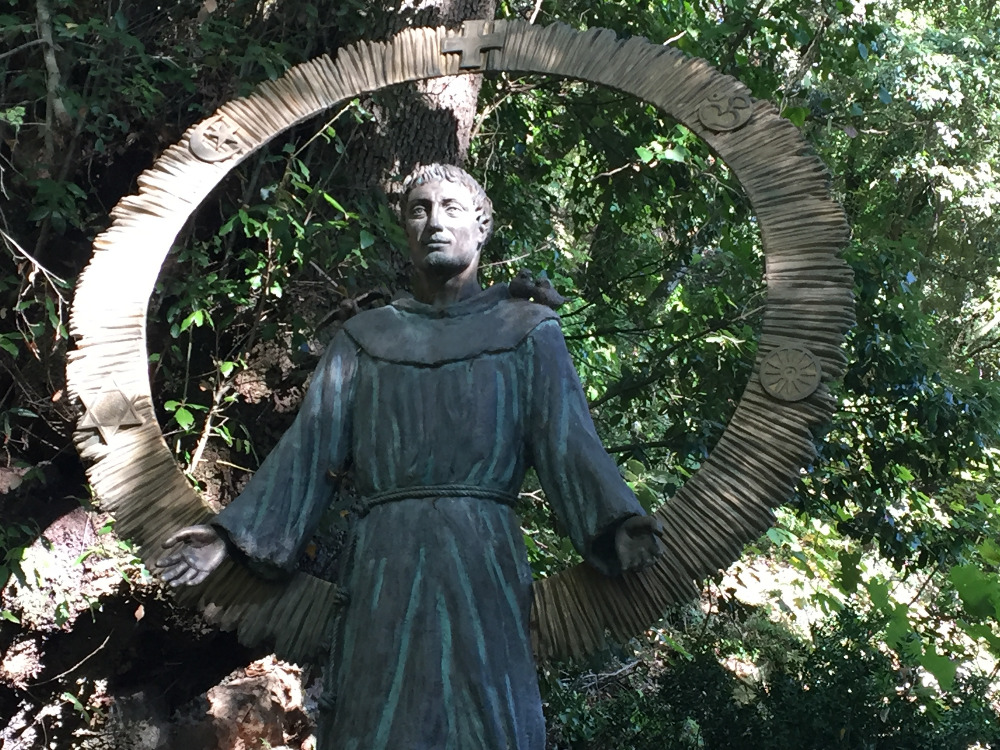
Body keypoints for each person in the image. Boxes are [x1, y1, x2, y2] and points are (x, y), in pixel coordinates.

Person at [156, 164, 663, 750]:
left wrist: (615, 523)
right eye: (418, 210)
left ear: (483, 225)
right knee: (374, 713)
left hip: (484, 561)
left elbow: (569, 445)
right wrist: (231, 536)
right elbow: (307, 450)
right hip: (384, 564)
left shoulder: (527, 331)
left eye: (451, 208)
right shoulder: (365, 338)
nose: (434, 223)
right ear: (403, 228)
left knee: (491, 714)